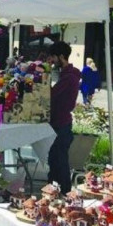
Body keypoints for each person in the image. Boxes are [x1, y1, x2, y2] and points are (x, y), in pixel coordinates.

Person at [47, 41, 80, 195]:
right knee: (54, 160)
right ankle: (53, 191)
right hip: (59, 123)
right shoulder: (67, 75)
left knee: (59, 162)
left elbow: (51, 96)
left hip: (61, 124)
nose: (52, 61)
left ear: (61, 56)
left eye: (53, 57)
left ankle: (65, 194)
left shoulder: (69, 78)